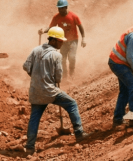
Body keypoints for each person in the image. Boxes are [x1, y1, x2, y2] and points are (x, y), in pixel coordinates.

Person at [22, 26, 86, 154]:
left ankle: (29, 147)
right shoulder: (56, 55)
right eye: (60, 41)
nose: (62, 43)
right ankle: (79, 134)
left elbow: (26, 67)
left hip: (35, 91)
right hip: (50, 91)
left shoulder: (36, 50)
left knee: (34, 118)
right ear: (53, 40)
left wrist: (35, 77)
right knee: (72, 104)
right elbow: (58, 78)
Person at [38, 0, 86, 78]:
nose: (60, 10)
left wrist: (83, 38)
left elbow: (80, 27)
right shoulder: (56, 17)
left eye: (62, 8)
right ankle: (64, 75)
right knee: (62, 59)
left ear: (66, 7)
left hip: (73, 40)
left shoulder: (74, 16)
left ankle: (72, 73)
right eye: (59, 8)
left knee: (71, 57)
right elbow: (51, 27)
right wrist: (43, 31)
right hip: (62, 41)